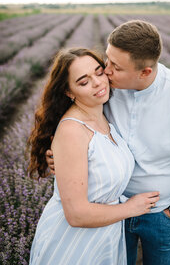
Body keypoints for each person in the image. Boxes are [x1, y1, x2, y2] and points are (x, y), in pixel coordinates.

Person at [46, 20, 170, 265]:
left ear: (144, 72)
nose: (105, 71)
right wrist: (56, 155)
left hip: (162, 213)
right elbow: (75, 123)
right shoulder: (108, 89)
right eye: (107, 59)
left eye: (115, 66)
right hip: (110, 208)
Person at [28, 47, 160, 265]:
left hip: (105, 236)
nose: (98, 83)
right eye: (83, 81)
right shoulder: (72, 131)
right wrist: (130, 208)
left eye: (99, 72)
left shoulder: (105, 115)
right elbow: (76, 214)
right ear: (69, 92)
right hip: (72, 243)